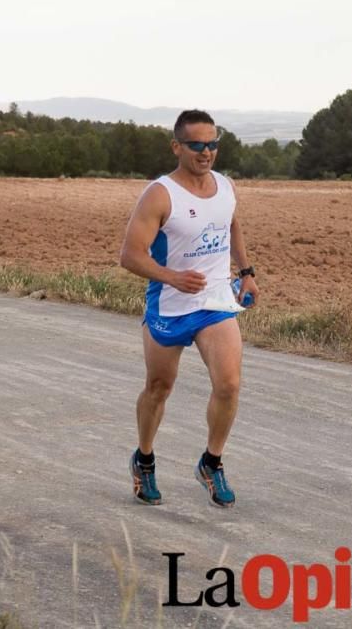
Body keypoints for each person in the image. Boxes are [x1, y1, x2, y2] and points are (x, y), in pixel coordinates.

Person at [119, 109, 259, 508]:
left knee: (229, 384)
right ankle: (144, 458)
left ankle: (211, 462)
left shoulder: (225, 186)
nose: (206, 152)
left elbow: (231, 223)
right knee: (159, 388)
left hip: (214, 301)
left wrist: (246, 272)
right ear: (177, 146)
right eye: (197, 145)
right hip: (170, 304)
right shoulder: (160, 194)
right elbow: (130, 255)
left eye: (213, 144)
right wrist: (170, 276)